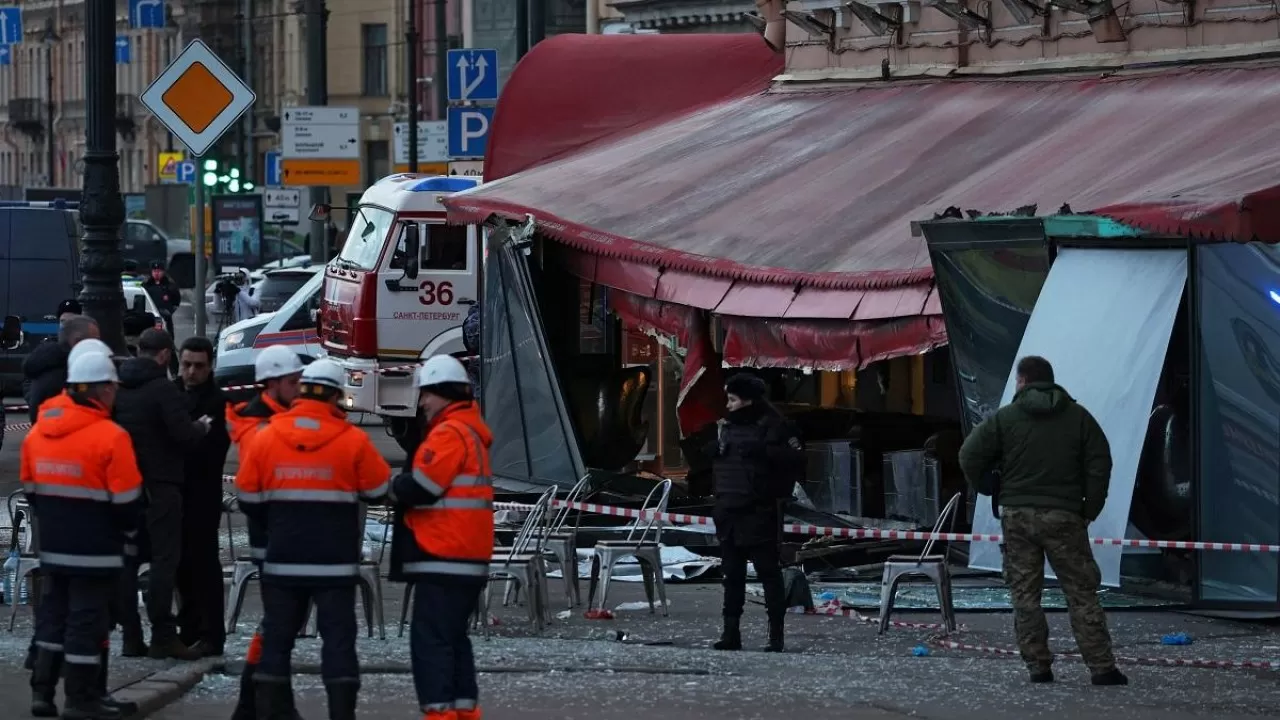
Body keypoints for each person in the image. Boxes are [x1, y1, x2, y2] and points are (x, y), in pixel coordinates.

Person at [958, 355, 1128, 686]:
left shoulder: (1004, 420)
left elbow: (968, 455)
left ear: (1022, 381)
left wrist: (988, 486)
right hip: (1065, 516)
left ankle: (1038, 667)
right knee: (1081, 591)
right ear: (1050, 381)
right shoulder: (1079, 418)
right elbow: (1100, 462)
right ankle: (1102, 668)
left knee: (1025, 593)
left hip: (1018, 516)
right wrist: (1088, 508)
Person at [236, 359, 390, 720]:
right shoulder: (352, 440)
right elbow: (380, 487)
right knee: (338, 641)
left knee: (277, 638)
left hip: (283, 559)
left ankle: (271, 712)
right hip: (335, 563)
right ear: (337, 396)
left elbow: (248, 497)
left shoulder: (267, 436)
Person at [21, 351, 144, 720]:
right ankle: (82, 697)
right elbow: (127, 502)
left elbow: (31, 489)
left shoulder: (40, 429)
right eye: (113, 388)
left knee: (53, 616)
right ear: (102, 389)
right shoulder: (111, 436)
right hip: (97, 547)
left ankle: (42, 692)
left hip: (55, 545)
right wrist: (128, 532)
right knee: (86, 623)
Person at [389, 354, 493, 720]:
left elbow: (423, 487)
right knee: (453, 639)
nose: (422, 404)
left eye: (426, 395)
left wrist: (391, 487)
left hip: (445, 553)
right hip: (465, 554)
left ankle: (440, 714)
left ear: (444, 393)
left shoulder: (449, 433)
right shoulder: (469, 431)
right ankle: (464, 712)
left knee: (431, 642)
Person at [112, 329, 211, 660]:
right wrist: (202, 426)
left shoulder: (120, 389)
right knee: (163, 562)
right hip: (162, 488)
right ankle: (163, 636)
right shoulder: (162, 389)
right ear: (166, 355)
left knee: (127, 564)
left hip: (126, 489)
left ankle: (131, 636)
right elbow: (183, 435)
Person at [225, 344, 305, 720]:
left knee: (281, 623)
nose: (299, 388)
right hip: (273, 536)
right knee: (280, 623)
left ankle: (259, 704)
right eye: (293, 382)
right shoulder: (261, 427)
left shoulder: (270, 418)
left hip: (278, 533)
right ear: (271, 383)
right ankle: (261, 704)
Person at [706, 373, 803, 654]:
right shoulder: (725, 428)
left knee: (768, 576)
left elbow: (796, 460)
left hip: (759, 514)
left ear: (748, 400)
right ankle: (730, 633)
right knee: (732, 577)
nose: (729, 405)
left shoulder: (774, 426)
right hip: (729, 515)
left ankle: (775, 636)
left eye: (733, 399)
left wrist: (765, 453)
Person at [174, 336, 232, 656]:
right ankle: (189, 628)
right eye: (186, 365)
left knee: (204, 566)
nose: (191, 372)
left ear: (210, 367)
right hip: (174, 493)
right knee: (180, 566)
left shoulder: (217, 402)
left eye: (198, 366)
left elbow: (210, 449)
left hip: (202, 493)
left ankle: (211, 634)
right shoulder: (170, 394)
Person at [23, 315, 100, 422]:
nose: (98, 345)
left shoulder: (51, 367)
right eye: (94, 340)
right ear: (76, 341)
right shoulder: (60, 377)